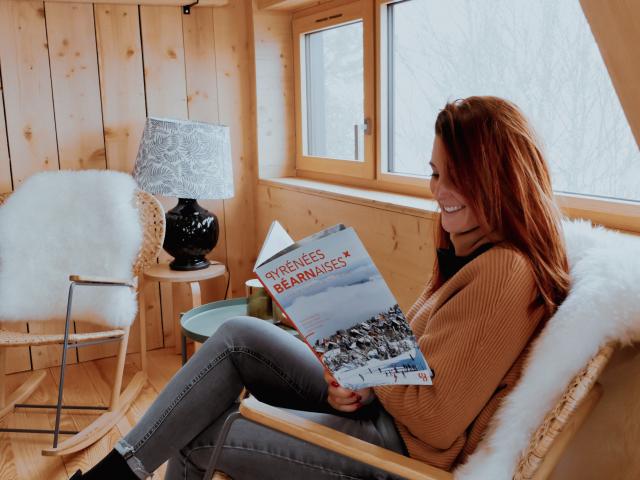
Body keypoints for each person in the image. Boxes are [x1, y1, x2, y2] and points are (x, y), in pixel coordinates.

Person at [71, 96, 569, 479]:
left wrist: (365, 357)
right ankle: (118, 473)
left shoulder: (505, 271)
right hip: (384, 420)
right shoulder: (469, 255)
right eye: (435, 173)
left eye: (457, 176)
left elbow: (437, 421)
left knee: (198, 433)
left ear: (499, 177)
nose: (439, 192)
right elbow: (416, 368)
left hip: (399, 452)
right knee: (239, 335)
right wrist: (353, 376)